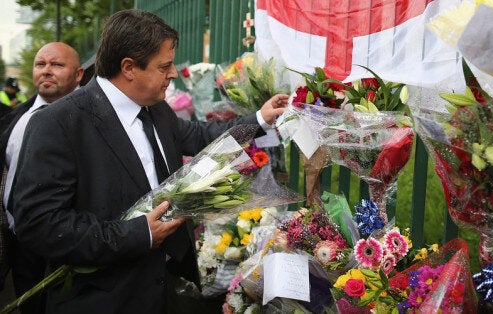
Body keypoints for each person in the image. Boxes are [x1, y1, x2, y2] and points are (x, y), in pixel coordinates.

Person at [11, 9, 288, 314]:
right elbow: (39, 223)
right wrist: (136, 235)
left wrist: (261, 118)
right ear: (129, 68)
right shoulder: (59, 123)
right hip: (103, 300)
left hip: (164, 290)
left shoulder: (156, 109)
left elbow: (201, 136)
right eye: (164, 66)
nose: (172, 74)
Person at [0, 42, 84, 313]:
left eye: (57, 65)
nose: (47, 71)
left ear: (79, 74)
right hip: (18, 243)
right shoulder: (16, 116)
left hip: (68, 247)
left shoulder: (93, 118)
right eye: (40, 64)